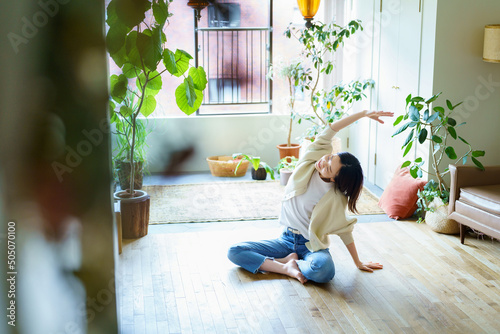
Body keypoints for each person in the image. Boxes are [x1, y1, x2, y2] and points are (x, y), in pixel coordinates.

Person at [227, 110, 394, 284]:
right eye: (329, 157)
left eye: (328, 168)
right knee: (235, 251)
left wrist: (358, 262)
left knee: (324, 271)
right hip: (285, 240)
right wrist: (363, 114)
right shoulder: (309, 161)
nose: (323, 162)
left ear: (333, 179)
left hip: (310, 246)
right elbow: (331, 130)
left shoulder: (335, 197)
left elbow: (345, 230)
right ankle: (285, 266)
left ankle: (289, 263)